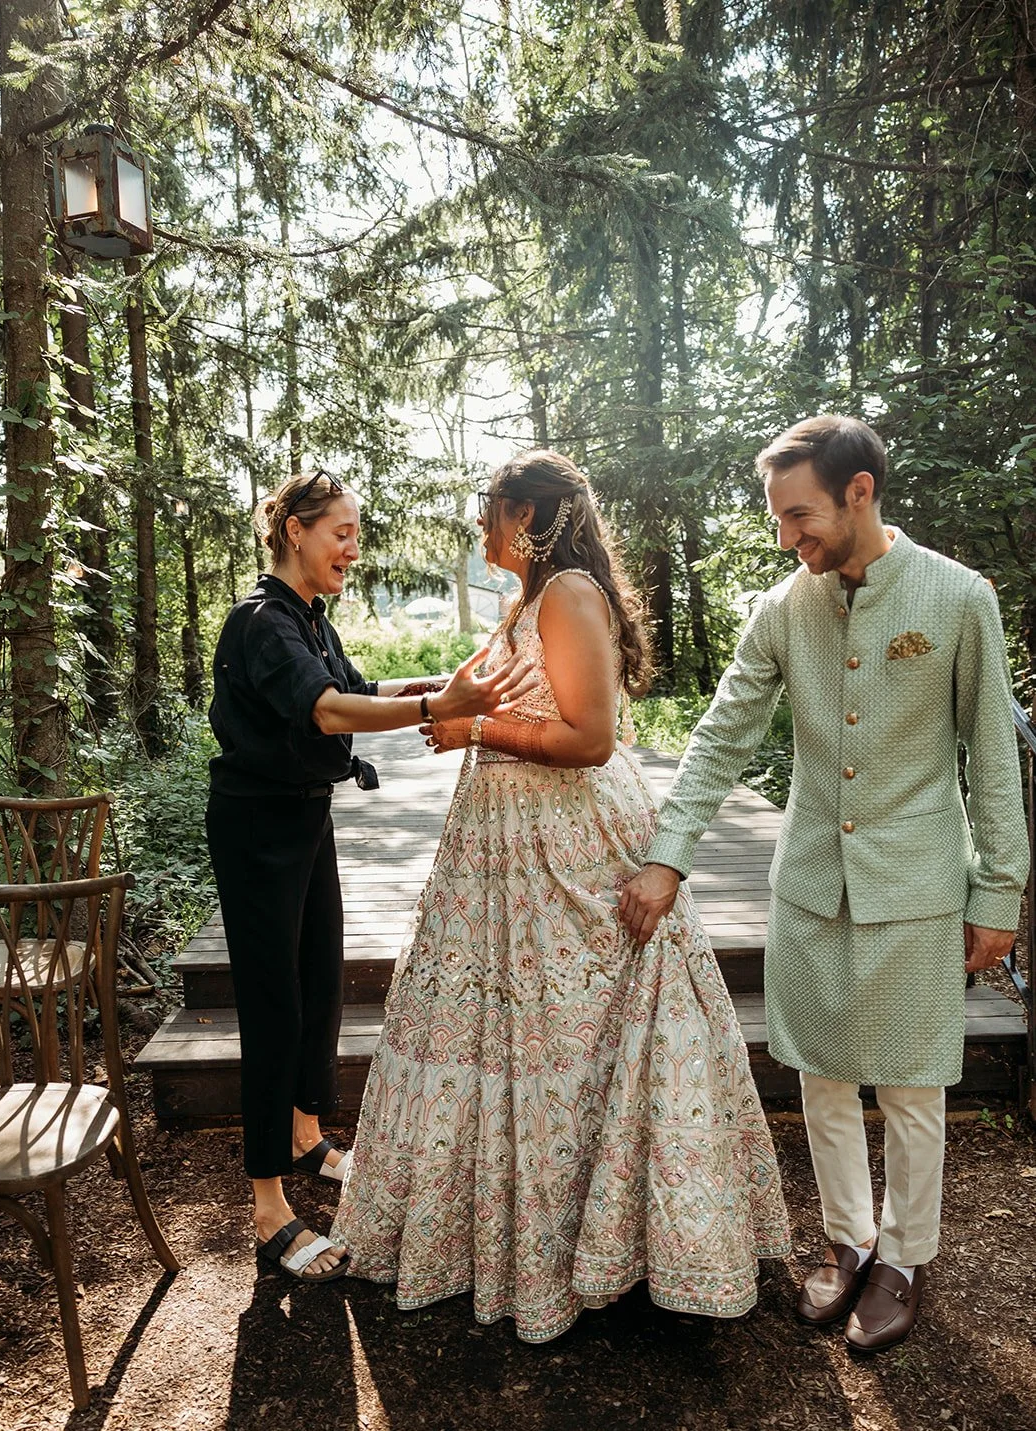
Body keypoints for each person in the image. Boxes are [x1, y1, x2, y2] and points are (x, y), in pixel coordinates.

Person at [331, 449, 790, 1341]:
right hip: (505, 846)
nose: (480, 523)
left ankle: (621, 1246)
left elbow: (589, 740)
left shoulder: (570, 594)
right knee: (514, 1035)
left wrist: (476, 728)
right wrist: (452, 711)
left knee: (579, 1037)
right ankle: (528, 1240)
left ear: (530, 516)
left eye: (490, 507)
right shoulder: (529, 599)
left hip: (569, 842)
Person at [620, 416, 1030, 1353]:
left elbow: (990, 759)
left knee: (913, 1084)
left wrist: (997, 893)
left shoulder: (957, 596)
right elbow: (721, 735)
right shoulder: (781, 607)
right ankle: (849, 1242)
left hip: (917, 884)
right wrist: (668, 852)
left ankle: (905, 1258)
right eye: (776, 518)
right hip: (807, 881)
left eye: (798, 515)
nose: (785, 537)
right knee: (821, 1076)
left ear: (858, 492)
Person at [206, 466, 535, 1283]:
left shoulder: (308, 618)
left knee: (319, 983)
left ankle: (306, 1136)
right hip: (255, 829)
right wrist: (436, 709)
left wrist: (437, 687)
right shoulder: (260, 621)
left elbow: (354, 689)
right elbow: (325, 711)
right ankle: (267, 1207)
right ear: (296, 532)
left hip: (305, 816)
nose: (353, 549)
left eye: (356, 534)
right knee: (273, 1005)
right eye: (341, 533)